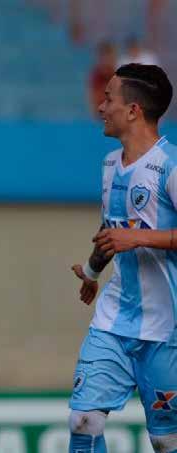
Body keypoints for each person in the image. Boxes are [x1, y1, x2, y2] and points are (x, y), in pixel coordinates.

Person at [70, 64, 176, 453]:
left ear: (133, 110)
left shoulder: (170, 165)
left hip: (166, 329)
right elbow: (111, 231)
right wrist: (93, 271)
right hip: (114, 320)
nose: (100, 106)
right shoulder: (110, 164)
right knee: (83, 421)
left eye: (109, 98)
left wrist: (140, 237)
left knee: (166, 441)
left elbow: (131, 235)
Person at [88, 42, 117, 118]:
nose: (107, 60)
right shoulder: (96, 75)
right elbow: (93, 98)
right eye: (104, 57)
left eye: (110, 57)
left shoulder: (118, 74)